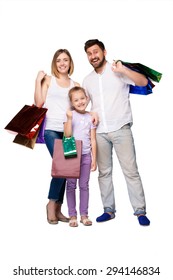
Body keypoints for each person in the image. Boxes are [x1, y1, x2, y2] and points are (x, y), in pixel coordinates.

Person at [82, 39, 150, 226]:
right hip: (100, 133)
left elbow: (144, 82)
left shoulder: (118, 71)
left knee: (131, 171)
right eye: (89, 53)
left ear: (104, 51)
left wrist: (124, 70)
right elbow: (82, 104)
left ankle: (140, 211)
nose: (93, 56)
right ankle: (108, 210)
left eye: (95, 52)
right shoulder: (87, 80)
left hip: (121, 128)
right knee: (104, 173)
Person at [34, 49, 80, 224]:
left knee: (67, 170)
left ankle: (58, 208)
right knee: (63, 166)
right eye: (59, 60)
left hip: (68, 130)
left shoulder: (75, 84)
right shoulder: (48, 80)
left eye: (66, 60)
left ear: (70, 63)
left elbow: (77, 108)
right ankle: (51, 204)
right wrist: (37, 81)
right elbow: (39, 103)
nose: (62, 63)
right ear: (55, 63)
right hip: (51, 129)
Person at [64, 86, 97, 227]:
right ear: (72, 102)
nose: (80, 102)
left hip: (85, 155)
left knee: (84, 185)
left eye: (82, 98)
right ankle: (72, 215)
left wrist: (94, 158)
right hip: (71, 153)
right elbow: (67, 135)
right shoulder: (70, 115)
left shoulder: (91, 117)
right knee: (71, 185)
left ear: (87, 98)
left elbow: (93, 139)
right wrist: (70, 119)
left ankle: (84, 214)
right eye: (76, 100)